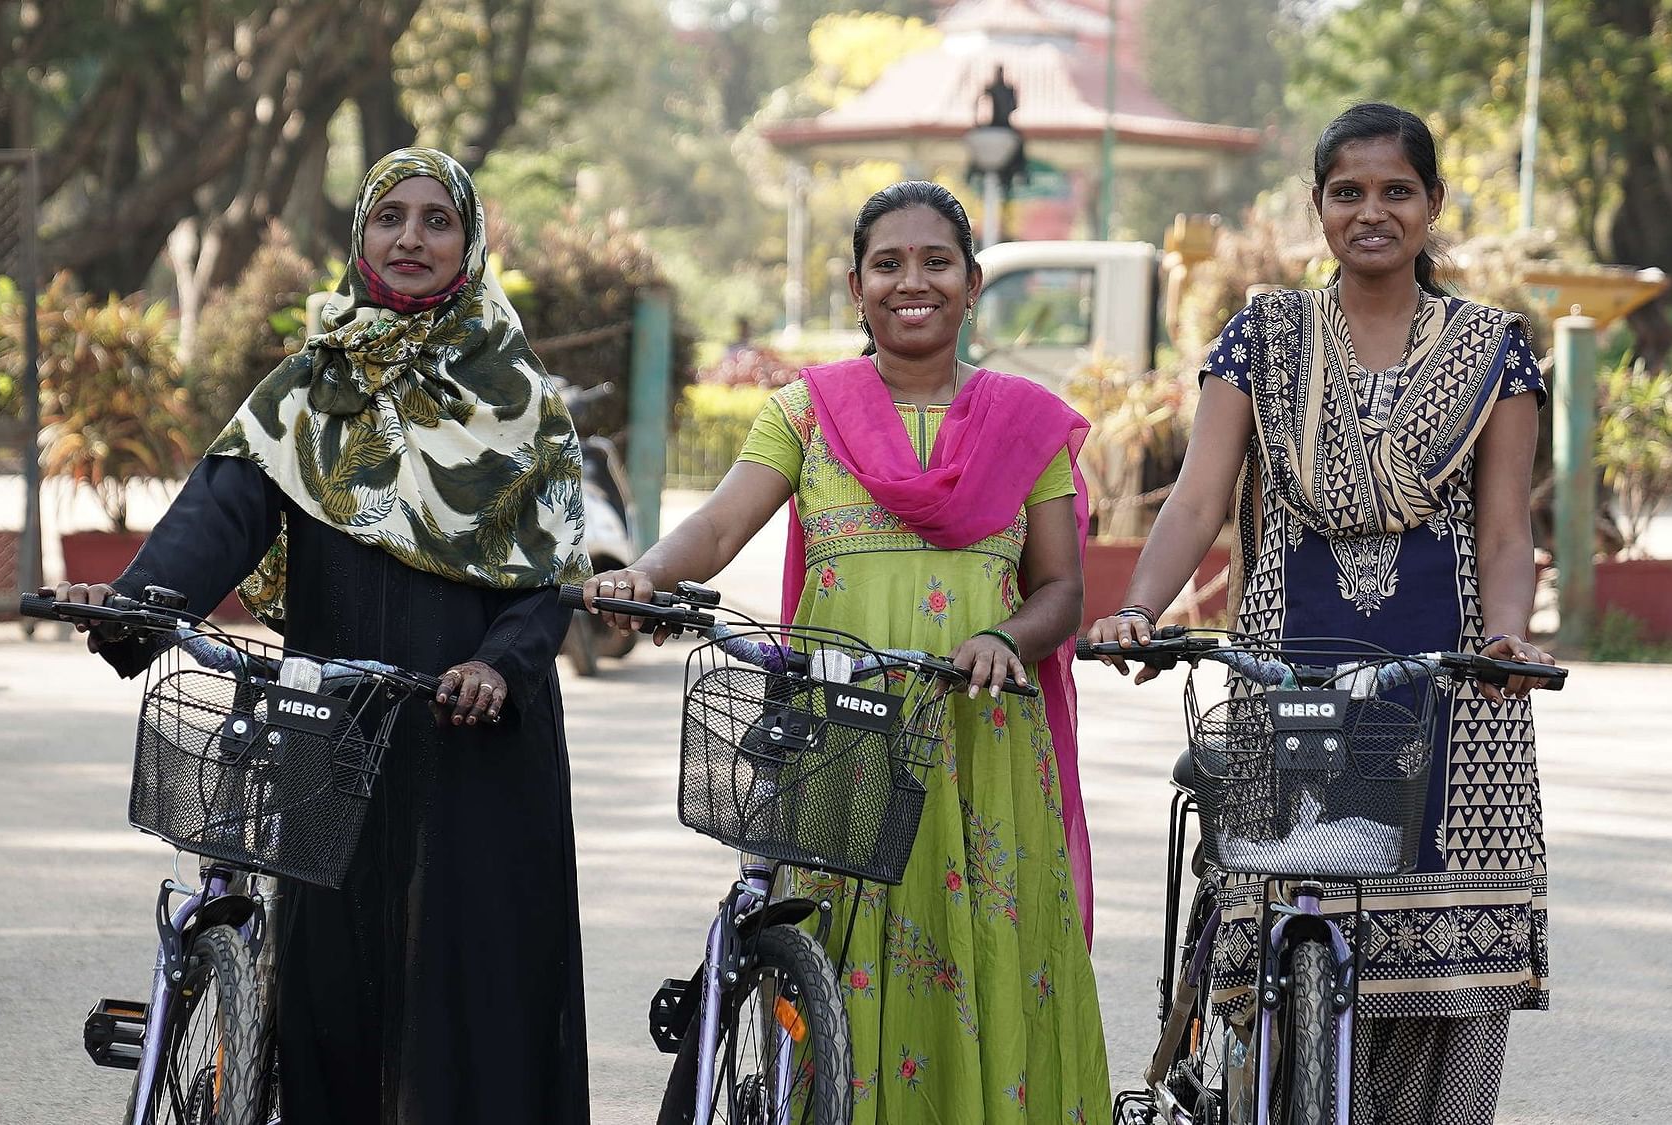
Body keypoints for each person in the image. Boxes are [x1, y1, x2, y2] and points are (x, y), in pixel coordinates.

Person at [56, 148, 592, 1123]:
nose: (412, 237)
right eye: (391, 216)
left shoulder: (520, 400)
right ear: (360, 237)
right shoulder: (308, 388)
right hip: (334, 720)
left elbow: (553, 572)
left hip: (474, 728)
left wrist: (499, 666)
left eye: (437, 220)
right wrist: (137, 606)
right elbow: (223, 509)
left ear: (469, 243)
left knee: (470, 990)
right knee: (327, 981)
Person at [590, 180, 1111, 1125]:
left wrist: (1002, 636)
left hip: (979, 744)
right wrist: (645, 575)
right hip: (843, 739)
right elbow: (714, 527)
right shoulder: (805, 413)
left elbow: (1062, 591)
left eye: (936, 261)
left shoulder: (1030, 424)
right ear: (855, 285)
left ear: (974, 281)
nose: (913, 281)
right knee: (831, 964)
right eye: (888, 263)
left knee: (978, 961)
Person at [1084, 103, 1559, 1123]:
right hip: (1283, 678)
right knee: (1276, 939)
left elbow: (1506, 532)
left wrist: (1508, 636)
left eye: (1396, 191)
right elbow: (1200, 501)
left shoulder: (1489, 349)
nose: (1371, 211)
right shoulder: (1263, 336)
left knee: (1439, 976)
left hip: (1449, 690)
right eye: (1347, 192)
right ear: (1318, 208)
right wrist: (1133, 609)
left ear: (1432, 206)